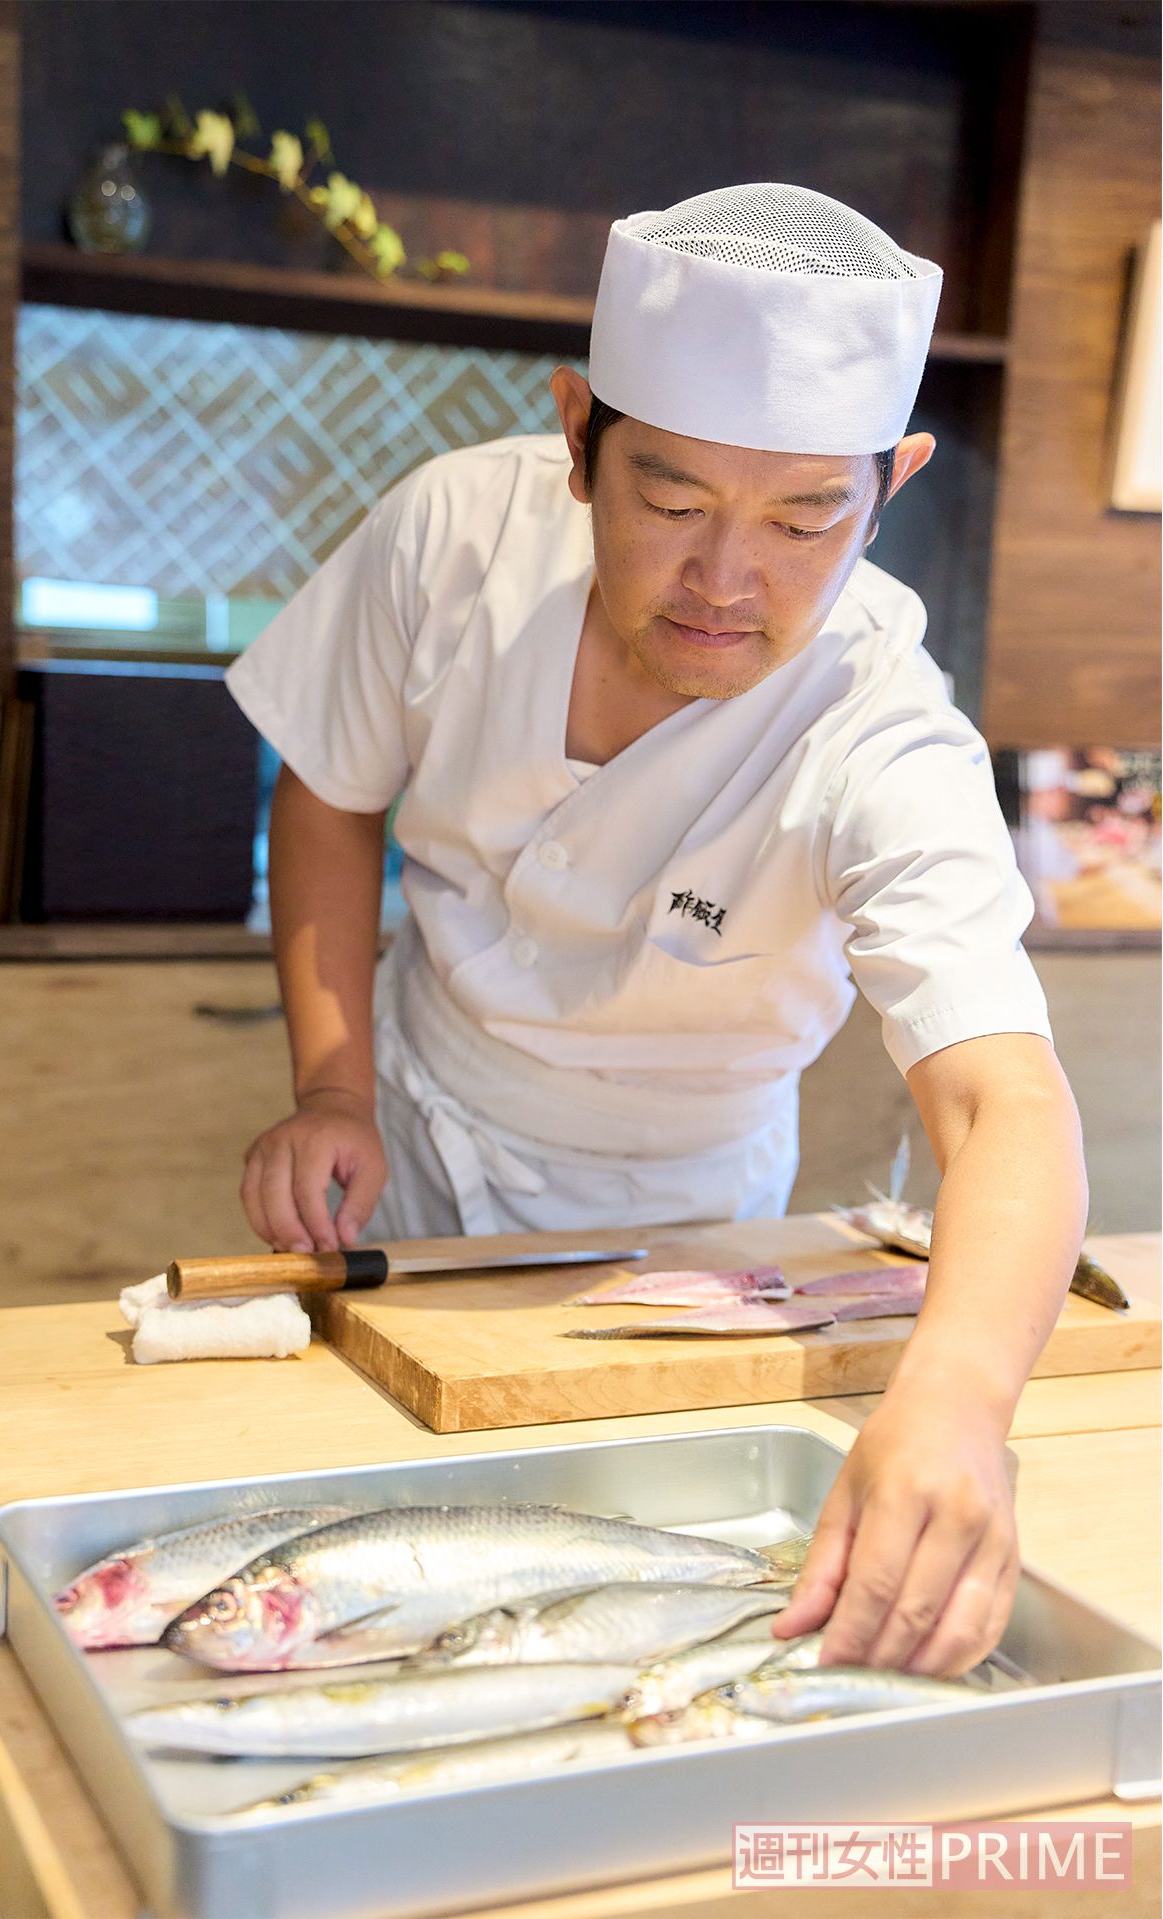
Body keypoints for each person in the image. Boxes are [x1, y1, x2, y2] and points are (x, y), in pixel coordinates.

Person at [226, 183, 1088, 1679]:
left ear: (894, 486)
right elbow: (328, 789)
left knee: (626, 1604)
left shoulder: (882, 726)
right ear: (577, 439)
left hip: (697, 1225)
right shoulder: (454, 539)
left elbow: (1006, 1094)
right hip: (416, 1141)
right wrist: (331, 1087)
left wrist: (954, 1400)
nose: (726, 580)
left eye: (809, 516)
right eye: (673, 503)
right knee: (380, 1581)